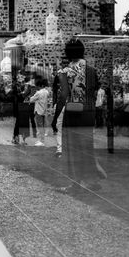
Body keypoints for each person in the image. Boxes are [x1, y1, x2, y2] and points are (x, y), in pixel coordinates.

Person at [55, 38, 105, 191]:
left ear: (67, 53)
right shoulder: (92, 71)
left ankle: (75, 183)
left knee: (72, 148)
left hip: (73, 112)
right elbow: (95, 91)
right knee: (87, 146)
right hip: (88, 112)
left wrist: (56, 116)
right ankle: (92, 180)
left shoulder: (65, 72)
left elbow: (63, 96)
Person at [28, 77, 49, 146]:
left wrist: (31, 94)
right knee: (42, 126)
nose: (37, 87)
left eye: (38, 86)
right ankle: (40, 140)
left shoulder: (38, 93)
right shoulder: (46, 92)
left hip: (38, 111)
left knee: (39, 126)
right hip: (44, 111)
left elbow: (31, 100)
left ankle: (41, 141)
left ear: (41, 85)